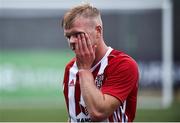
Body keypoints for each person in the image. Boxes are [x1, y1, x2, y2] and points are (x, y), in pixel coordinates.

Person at [61, 3, 139, 122]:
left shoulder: (123, 64)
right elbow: (73, 118)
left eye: (77, 34)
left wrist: (84, 70)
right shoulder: (70, 68)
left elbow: (98, 112)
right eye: (68, 36)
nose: (71, 41)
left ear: (98, 31)